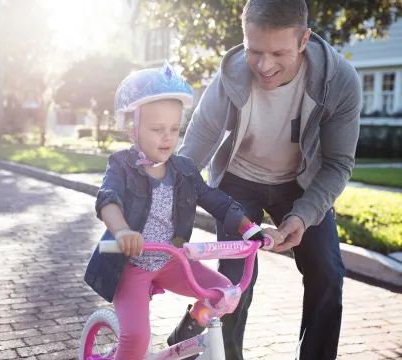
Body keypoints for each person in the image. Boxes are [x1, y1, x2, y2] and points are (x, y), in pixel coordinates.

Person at [176, 0, 362, 359]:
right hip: (238, 179)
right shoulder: (230, 75)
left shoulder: (339, 81)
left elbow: (338, 163)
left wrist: (303, 215)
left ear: (304, 39)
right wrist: (164, 194)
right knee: (235, 277)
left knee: (327, 270)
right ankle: (215, 347)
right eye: (254, 51)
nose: (264, 66)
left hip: (299, 183)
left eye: (279, 52)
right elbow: (195, 146)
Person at [83, 63, 283, 360]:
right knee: (136, 339)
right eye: (157, 129)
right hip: (131, 266)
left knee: (226, 293)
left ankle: (189, 331)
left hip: (172, 262)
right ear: (131, 128)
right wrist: (122, 231)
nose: (167, 137)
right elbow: (108, 199)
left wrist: (249, 228)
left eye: (174, 129)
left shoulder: (184, 171)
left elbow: (216, 200)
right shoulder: (121, 165)